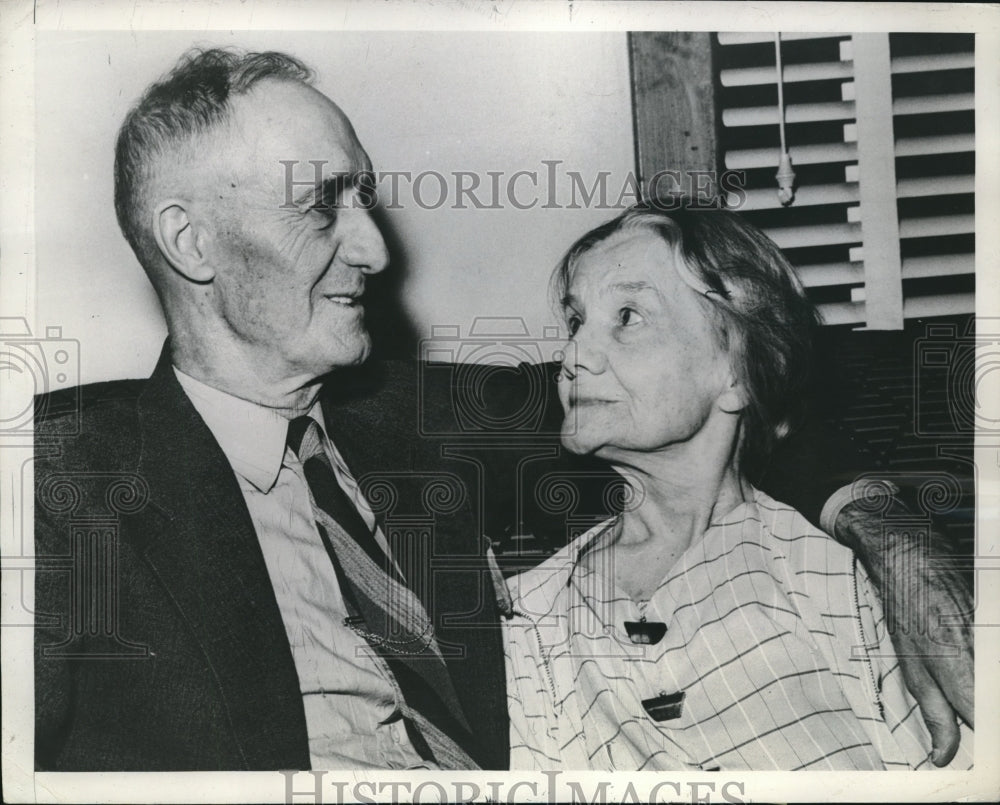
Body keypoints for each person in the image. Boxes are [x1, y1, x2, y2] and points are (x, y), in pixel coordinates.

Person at [33, 47, 971, 772]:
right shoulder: (62, 477)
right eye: (323, 205)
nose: (373, 248)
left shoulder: (418, 419)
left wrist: (885, 531)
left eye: (366, 194)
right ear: (191, 241)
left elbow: (739, 383)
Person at [503, 202, 974, 770]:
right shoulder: (528, 613)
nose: (573, 355)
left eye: (628, 316)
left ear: (738, 370)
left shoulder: (839, 574)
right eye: (576, 322)